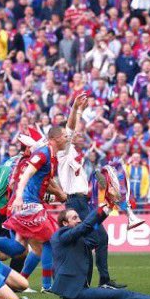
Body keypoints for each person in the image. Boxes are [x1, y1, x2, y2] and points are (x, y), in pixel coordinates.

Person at [51, 204, 150, 299]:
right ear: (65, 223)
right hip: (73, 294)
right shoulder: (61, 235)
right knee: (121, 295)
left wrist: (103, 214)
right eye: (74, 218)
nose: (79, 219)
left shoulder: (76, 238)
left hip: (78, 291)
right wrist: (101, 209)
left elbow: (93, 235)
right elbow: (84, 227)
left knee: (123, 294)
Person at [57, 94, 124, 289]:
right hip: (76, 204)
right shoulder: (63, 152)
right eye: (69, 135)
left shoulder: (74, 154)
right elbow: (70, 128)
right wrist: (76, 109)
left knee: (94, 239)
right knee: (95, 239)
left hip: (81, 203)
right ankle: (93, 281)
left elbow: (72, 129)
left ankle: (91, 281)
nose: (76, 134)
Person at [5, 126, 69, 291]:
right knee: (49, 239)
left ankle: (19, 281)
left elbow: (42, 184)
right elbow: (26, 174)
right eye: (64, 136)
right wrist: (19, 196)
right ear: (54, 139)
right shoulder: (42, 154)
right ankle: (47, 286)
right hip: (27, 202)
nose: (67, 138)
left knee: (35, 248)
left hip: (34, 202)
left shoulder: (52, 157)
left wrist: (58, 196)